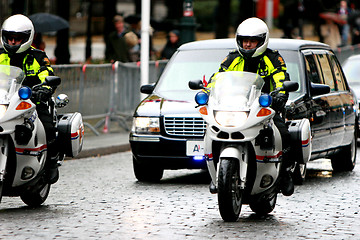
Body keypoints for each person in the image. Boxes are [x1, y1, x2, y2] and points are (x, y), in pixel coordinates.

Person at [209, 17, 294, 196]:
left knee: (284, 134)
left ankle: (285, 172)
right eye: (244, 41)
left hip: (265, 108)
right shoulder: (232, 58)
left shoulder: (273, 58)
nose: (247, 45)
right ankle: (216, 173)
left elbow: (280, 78)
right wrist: (208, 90)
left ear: (262, 41)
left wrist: (280, 93)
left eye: (252, 41)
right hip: (236, 107)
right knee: (212, 131)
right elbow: (218, 77)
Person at [0, 14, 59, 184]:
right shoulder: (0, 55)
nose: (12, 42)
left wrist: (45, 88)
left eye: (17, 39)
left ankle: (51, 162)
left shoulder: (38, 57)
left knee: (47, 125)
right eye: (9, 38)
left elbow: (47, 74)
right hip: (4, 100)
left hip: (31, 101)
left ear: (27, 38)